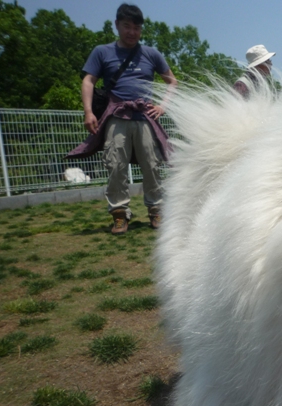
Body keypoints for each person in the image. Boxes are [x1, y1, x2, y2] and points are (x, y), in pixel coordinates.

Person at [66, 3, 177, 235]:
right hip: (116, 115)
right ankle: (119, 214)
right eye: (127, 26)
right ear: (117, 25)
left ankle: (157, 210)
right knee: (115, 164)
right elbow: (88, 81)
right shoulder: (102, 52)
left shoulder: (151, 54)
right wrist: (88, 112)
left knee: (152, 164)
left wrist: (163, 106)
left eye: (137, 27)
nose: (132, 32)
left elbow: (172, 81)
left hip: (146, 117)